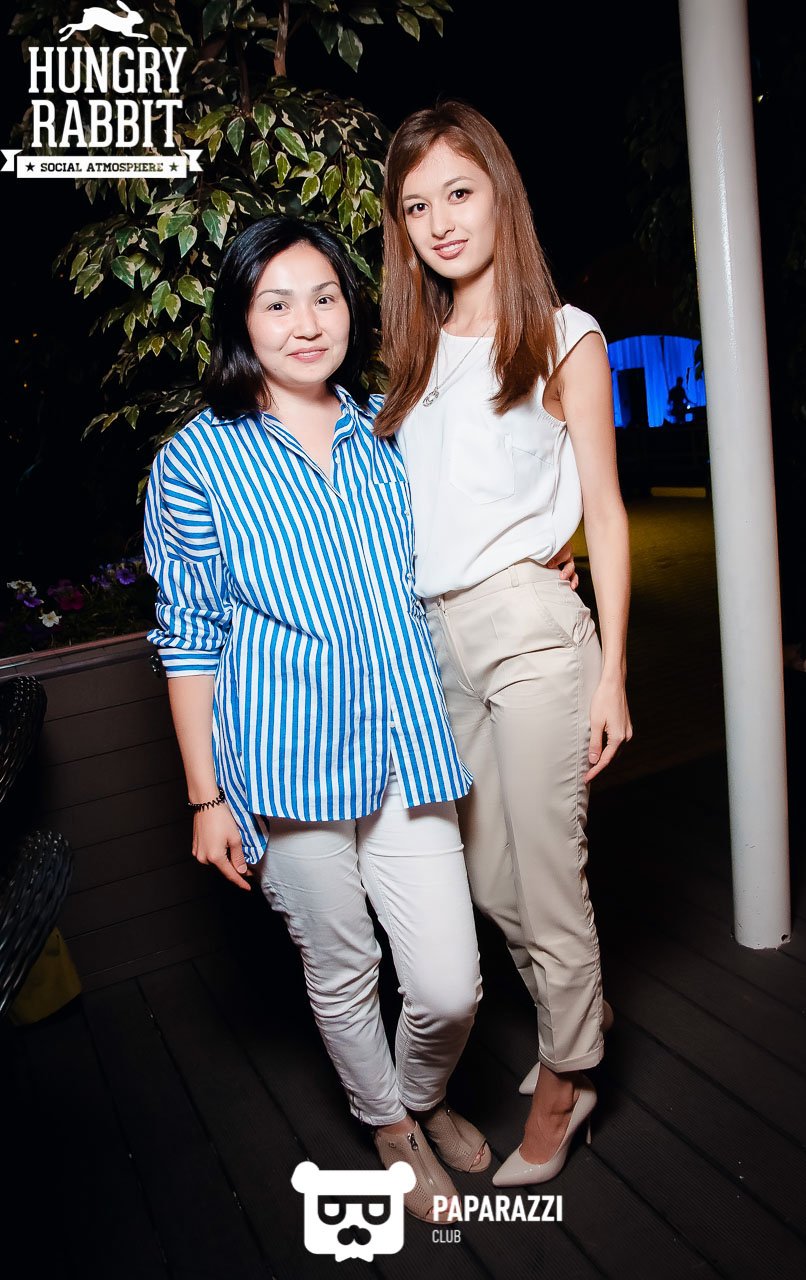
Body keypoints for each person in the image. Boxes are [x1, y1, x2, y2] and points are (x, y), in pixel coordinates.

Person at [143, 215, 490, 1222]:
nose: (306, 324)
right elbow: (189, 637)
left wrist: (538, 558)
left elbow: (459, 538)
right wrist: (205, 796)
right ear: (240, 320)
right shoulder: (196, 462)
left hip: (402, 748)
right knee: (343, 969)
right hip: (286, 768)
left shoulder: (389, 430)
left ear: (350, 306)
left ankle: (420, 1095)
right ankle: (390, 1126)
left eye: (325, 297)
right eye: (277, 303)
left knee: (450, 986)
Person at [375, 101, 632, 1187]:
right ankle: (583, 1011)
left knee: (550, 873)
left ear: (499, 195)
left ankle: (567, 1077)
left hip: (530, 629)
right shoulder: (410, 357)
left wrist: (612, 674)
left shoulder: (564, 334)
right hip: (436, 643)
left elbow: (604, 512)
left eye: (458, 192)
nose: (439, 221)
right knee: (487, 879)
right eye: (415, 206)